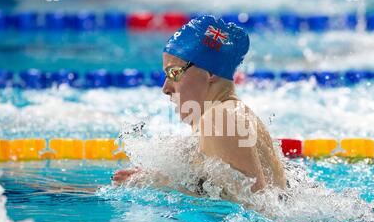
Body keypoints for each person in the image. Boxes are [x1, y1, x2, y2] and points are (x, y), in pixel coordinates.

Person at [113, 15, 287, 199]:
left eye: (174, 73)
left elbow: (256, 207)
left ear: (210, 72)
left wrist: (162, 183)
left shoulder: (220, 117)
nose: (166, 88)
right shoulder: (231, 113)